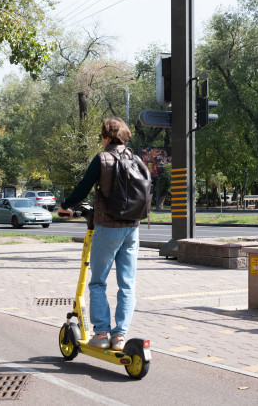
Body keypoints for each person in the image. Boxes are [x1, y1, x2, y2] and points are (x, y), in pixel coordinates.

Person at [57, 117, 146, 351]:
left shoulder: (102, 158)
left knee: (97, 282)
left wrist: (65, 205)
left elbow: (84, 186)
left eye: (101, 136)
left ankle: (102, 333)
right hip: (132, 227)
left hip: (108, 227)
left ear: (106, 137)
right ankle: (120, 336)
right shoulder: (135, 158)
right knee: (127, 284)